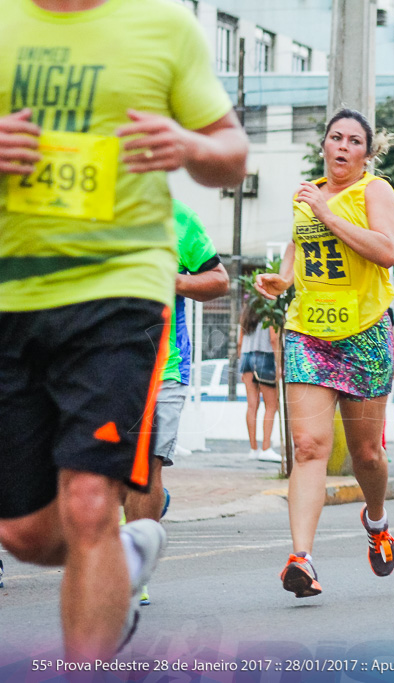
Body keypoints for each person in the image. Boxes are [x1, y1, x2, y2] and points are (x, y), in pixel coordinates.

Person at [0, 0, 247, 662]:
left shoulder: (163, 24)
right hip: (13, 290)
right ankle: (128, 548)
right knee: (24, 533)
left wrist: (191, 144)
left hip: (120, 291)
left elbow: (232, 152)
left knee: (87, 503)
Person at [255, 108, 394, 596]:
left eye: (353, 141)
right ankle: (302, 558)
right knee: (310, 446)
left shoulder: (374, 192)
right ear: (324, 145)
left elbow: (386, 252)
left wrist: (326, 211)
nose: (342, 147)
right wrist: (280, 281)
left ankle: (376, 522)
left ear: (366, 152)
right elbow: (296, 260)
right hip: (309, 333)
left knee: (366, 455)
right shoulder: (307, 196)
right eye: (334, 137)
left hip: (363, 333)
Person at [125, 200, 229, 607]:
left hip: (162, 364)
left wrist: (176, 281)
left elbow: (218, 280)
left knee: (146, 466)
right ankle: (145, 510)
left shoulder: (179, 218)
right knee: (105, 468)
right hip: (97, 361)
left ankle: (135, 570)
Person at [238, 300, 281, 463]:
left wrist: (241, 362)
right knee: (271, 405)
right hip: (265, 357)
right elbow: (273, 337)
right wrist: (278, 364)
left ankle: (253, 449)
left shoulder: (246, 313)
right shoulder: (270, 310)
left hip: (246, 358)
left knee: (251, 405)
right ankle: (266, 448)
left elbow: (239, 342)